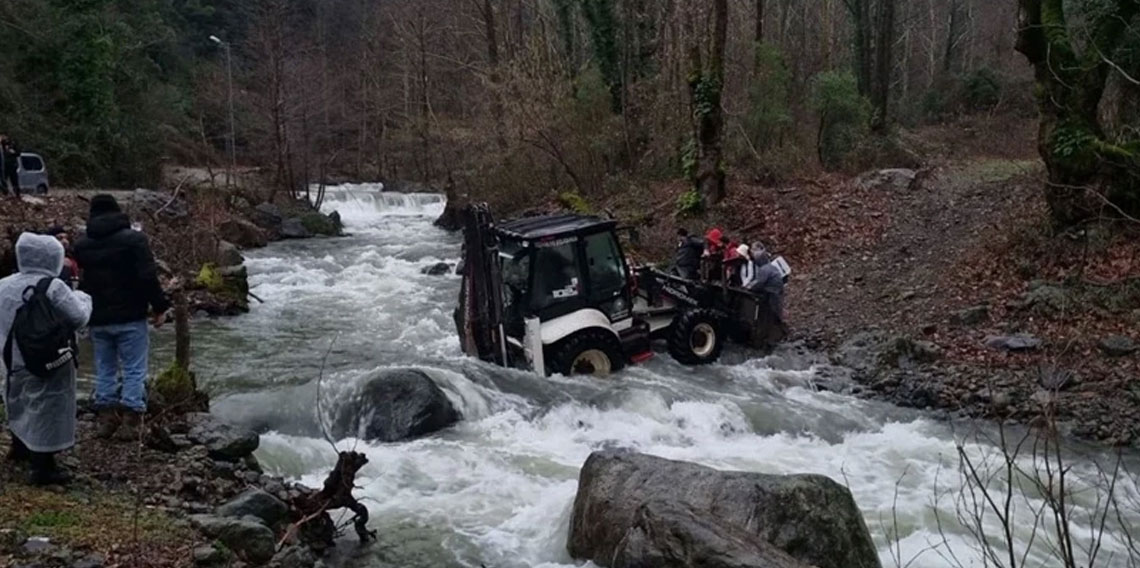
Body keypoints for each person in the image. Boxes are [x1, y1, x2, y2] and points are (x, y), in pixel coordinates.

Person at [73, 194, 171, 441]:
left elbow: (80, 281)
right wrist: (160, 306)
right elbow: (148, 277)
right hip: (131, 315)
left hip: (98, 318)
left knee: (105, 368)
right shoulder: (134, 240)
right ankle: (131, 420)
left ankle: (106, 419)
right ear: (117, 212)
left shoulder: (82, 245)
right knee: (134, 369)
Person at [1, 232, 92, 485]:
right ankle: (43, 467)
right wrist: (84, 298)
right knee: (48, 408)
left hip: (11, 360)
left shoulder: (3, 285)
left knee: (16, 400)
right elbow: (78, 317)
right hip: (46, 357)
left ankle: (19, 449)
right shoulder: (53, 286)